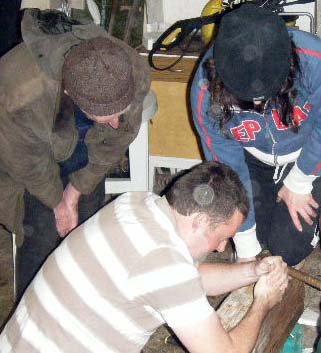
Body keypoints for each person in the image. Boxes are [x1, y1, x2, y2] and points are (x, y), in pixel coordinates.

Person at [0, 161, 288, 353]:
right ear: (199, 221)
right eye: (222, 236)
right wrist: (262, 302)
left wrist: (254, 271)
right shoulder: (167, 268)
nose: (222, 248)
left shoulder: (135, 204)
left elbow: (187, 279)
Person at [0, 8, 150, 298]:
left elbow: (118, 136)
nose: (117, 123)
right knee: (41, 231)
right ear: (71, 94)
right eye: (107, 116)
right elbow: (24, 161)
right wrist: (57, 203)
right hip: (19, 157)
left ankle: (85, 299)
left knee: (88, 226)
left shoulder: (131, 72)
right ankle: (34, 311)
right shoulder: (21, 94)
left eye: (121, 112)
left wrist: (74, 192)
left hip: (74, 139)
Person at [190, 4, 321, 266]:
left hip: (309, 152)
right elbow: (229, 167)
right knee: (255, 238)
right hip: (255, 160)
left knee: (287, 248)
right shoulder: (205, 91)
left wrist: (300, 180)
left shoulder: (314, 59)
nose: (260, 108)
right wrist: (246, 245)